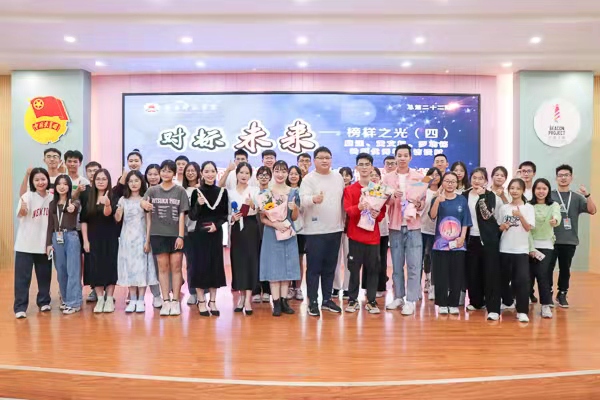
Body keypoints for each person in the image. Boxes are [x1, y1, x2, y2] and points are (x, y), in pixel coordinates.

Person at [300, 146, 345, 317]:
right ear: (314, 160)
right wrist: (313, 199)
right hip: (314, 231)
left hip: (335, 229)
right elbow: (302, 200)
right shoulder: (309, 179)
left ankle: (327, 299)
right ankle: (312, 301)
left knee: (330, 267)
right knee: (314, 268)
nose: (325, 160)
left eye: (328, 157)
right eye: (321, 158)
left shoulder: (338, 177)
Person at [142, 160, 189, 316]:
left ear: (174, 173)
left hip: (176, 235)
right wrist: (144, 205)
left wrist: (180, 236)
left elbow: (182, 214)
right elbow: (143, 202)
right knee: (162, 268)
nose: (166, 173)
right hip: (158, 234)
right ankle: (166, 301)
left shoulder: (180, 191)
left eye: (169, 171)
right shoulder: (153, 190)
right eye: (163, 170)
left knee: (176, 268)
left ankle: (175, 301)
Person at [383, 144, 425, 316]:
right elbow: (382, 201)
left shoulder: (420, 177)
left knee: (414, 265)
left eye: (405, 155)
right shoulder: (387, 178)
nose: (402, 158)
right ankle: (398, 296)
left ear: (410, 157)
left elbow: (423, 202)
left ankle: (411, 300)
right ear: (395, 157)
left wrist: (418, 204)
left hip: (413, 226)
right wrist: (392, 197)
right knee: (397, 264)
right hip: (395, 226)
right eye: (399, 155)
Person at [344, 153, 386, 314]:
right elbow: (348, 210)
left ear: (372, 167)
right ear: (356, 167)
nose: (364, 167)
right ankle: (352, 300)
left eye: (367, 164)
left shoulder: (378, 190)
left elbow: (382, 213)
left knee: (373, 269)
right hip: (355, 236)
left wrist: (377, 214)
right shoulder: (350, 189)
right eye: (361, 164)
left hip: (373, 238)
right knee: (354, 269)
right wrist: (359, 207)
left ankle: (372, 301)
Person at [257, 160, 301, 316]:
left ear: (287, 173)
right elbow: (262, 218)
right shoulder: (266, 193)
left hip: (288, 231)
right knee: (274, 267)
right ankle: (275, 302)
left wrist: (294, 208)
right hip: (272, 233)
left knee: (287, 266)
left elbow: (294, 217)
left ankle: (284, 301)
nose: (280, 174)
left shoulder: (293, 192)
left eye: (283, 171)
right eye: (277, 171)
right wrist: (275, 224)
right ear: (273, 172)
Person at [550, 164, 596, 307]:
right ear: (556, 178)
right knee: (547, 268)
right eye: (560, 175)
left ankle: (562, 294)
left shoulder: (577, 197)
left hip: (569, 240)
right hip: (550, 240)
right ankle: (547, 293)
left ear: (571, 177)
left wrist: (587, 195)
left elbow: (593, 210)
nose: (563, 178)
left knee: (565, 269)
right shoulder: (550, 195)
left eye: (566, 175)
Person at [189, 161, 229, 317]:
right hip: (200, 234)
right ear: (202, 173)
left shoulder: (222, 192)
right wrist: (198, 205)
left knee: (214, 266)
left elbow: (224, 215)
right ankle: (201, 301)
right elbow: (192, 216)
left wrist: (216, 226)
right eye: (207, 171)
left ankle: (212, 301)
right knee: (200, 266)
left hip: (215, 233)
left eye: (212, 171)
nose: (210, 174)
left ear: (216, 173)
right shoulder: (196, 192)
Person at [429, 172, 472, 315]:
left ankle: (453, 303)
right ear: (442, 182)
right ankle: (442, 303)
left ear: (457, 183)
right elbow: (432, 216)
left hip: (458, 243)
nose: (450, 184)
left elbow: (465, 220)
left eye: (453, 181)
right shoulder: (437, 198)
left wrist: (462, 238)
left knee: (456, 274)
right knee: (441, 274)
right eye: (447, 181)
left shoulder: (461, 200)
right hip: (440, 244)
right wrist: (437, 201)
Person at [116, 170, 158, 313]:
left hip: (141, 238)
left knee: (141, 269)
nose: (133, 184)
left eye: (136, 181)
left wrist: (148, 240)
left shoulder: (145, 199)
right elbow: (118, 219)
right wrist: (117, 212)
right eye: (131, 181)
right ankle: (132, 299)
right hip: (127, 239)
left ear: (142, 182)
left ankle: (141, 300)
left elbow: (149, 221)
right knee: (130, 269)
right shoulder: (123, 200)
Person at [462, 168, 502, 320]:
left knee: (490, 273)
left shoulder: (491, 196)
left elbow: (487, 216)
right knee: (472, 272)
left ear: (486, 181)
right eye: (474, 177)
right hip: (470, 238)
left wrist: (482, 197)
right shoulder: (464, 195)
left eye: (480, 178)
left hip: (488, 240)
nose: (477, 181)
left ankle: (493, 309)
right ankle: (476, 302)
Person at [14, 168, 52, 319]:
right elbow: (21, 214)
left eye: (43, 179)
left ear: (48, 180)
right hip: (25, 245)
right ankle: (20, 307)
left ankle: (44, 302)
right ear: (32, 182)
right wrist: (23, 210)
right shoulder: (27, 196)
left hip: (44, 245)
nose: (40, 182)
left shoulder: (52, 197)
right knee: (22, 279)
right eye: (37, 180)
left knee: (44, 276)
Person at [81, 168, 119, 314]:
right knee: (95, 267)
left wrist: (107, 203)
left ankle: (109, 298)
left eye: (104, 179)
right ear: (94, 181)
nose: (101, 181)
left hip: (110, 238)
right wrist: (85, 240)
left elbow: (108, 214)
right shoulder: (88, 196)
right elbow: (84, 220)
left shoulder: (113, 196)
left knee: (110, 266)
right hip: (93, 238)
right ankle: (100, 298)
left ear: (108, 181)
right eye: (98, 179)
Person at [498, 178, 535, 323]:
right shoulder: (504, 208)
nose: (514, 191)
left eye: (518, 188)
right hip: (505, 248)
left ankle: (522, 311)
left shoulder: (528, 208)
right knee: (503, 279)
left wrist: (520, 216)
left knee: (522, 281)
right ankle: (508, 301)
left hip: (521, 250)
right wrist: (503, 227)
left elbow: (528, 228)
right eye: (512, 188)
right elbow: (499, 227)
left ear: (523, 190)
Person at [46, 174, 82, 315]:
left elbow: (75, 207)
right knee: (60, 270)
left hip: (71, 236)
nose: (62, 186)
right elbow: (50, 225)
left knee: (73, 270)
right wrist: (48, 243)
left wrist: (72, 206)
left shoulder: (74, 201)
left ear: (69, 186)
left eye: (65, 184)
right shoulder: (52, 204)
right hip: (56, 237)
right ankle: (66, 300)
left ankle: (75, 303)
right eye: (59, 184)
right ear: (55, 187)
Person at [228, 162, 259, 315]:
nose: (244, 176)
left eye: (247, 173)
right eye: (241, 172)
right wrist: (232, 217)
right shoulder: (230, 192)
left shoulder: (255, 190)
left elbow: (261, 209)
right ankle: (241, 296)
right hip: (236, 229)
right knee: (238, 261)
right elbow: (226, 213)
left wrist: (253, 205)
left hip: (251, 227)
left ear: (250, 176)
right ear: (236, 174)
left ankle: (248, 299)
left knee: (251, 260)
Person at [528, 178, 560, 318]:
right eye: (538, 188)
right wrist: (531, 247)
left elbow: (557, 216)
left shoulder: (554, 205)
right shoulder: (529, 205)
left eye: (544, 188)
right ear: (534, 190)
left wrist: (555, 220)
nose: (541, 191)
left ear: (548, 190)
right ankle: (522, 302)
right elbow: (527, 228)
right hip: (529, 245)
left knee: (543, 275)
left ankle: (546, 305)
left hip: (546, 246)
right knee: (527, 276)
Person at [363, 167, 390, 298]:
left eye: (376, 175)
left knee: (381, 258)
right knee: (367, 258)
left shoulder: (385, 190)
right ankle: (367, 286)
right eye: (371, 175)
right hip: (367, 228)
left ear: (380, 177)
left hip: (382, 229)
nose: (373, 177)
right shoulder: (364, 190)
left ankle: (380, 286)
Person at [143, 163, 164, 308]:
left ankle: (166, 293)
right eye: (150, 174)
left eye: (156, 174)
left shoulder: (166, 190)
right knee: (148, 266)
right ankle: (155, 295)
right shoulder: (142, 191)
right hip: (143, 233)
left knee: (161, 266)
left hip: (162, 232)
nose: (153, 177)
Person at [252, 166, 273, 303]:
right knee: (255, 258)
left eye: (266, 175)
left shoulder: (273, 193)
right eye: (261, 175)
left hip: (268, 226)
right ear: (257, 177)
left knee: (267, 258)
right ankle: (255, 289)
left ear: (270, 178)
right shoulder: (253, 192)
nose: (264, 177)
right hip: (254, 227)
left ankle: (266, 290)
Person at [420, 167, 441, 300]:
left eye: (437, 175)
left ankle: (433, 285)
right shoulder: (423, 190)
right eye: (431, 174)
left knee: (434, 257)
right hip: (422, 228)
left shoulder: (443, 191)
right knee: (423, 257)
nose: (434, 177)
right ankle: (425, 281)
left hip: (438, 230)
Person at [83, 161, 102, 303]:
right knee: (91, 262)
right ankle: (94, 289)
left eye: (95, 170)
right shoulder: (84, 191)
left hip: (105, 233)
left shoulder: (107, 190)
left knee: (105, 261)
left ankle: (106, 291)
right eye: (89, 171)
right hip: (89, 232)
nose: (92, 173)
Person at [333, 166, 354, 299]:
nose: (345, 177)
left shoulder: (353, 190)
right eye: (342, 175)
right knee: (335, 258)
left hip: (350, 229)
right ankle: (335, 286)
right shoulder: (335, 190)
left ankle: (347, 287)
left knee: (349, 259)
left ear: (351, 177)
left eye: (347, 175)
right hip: (335, 228)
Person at [182, 162, 201, 305]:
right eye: (188, 171)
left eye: (193, 170)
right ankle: (193, 292)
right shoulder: (181, 190)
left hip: (202, 231)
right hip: (187, 231)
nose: (190, 173)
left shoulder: (203, 189)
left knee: (203, 263)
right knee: (191, 263)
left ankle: (203, 293)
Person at [286, 165, 305, 301]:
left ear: (300, 176)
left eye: (296, 174)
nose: (293, 176)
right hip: (286, 228)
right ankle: (288, 288)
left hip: (301, 229)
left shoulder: (304, 191)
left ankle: (298, 288)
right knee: (287, 259)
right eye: (291, 173)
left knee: (299, 259)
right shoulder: (284, 190)